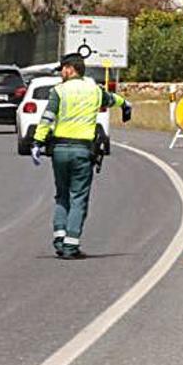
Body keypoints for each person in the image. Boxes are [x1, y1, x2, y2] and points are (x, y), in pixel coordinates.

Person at [31, 53, 131, 259]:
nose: (61, 74)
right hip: (82, 151)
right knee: (78, 197)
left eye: (63, 70)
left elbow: (47, 118)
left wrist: (37, 142)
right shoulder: (95, 90)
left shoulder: (58, 91)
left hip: (59, 150)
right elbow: (113, 99)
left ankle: (60, 239)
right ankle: (71, 246)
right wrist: (126, 105)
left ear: (70, 69)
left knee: (61, 195)